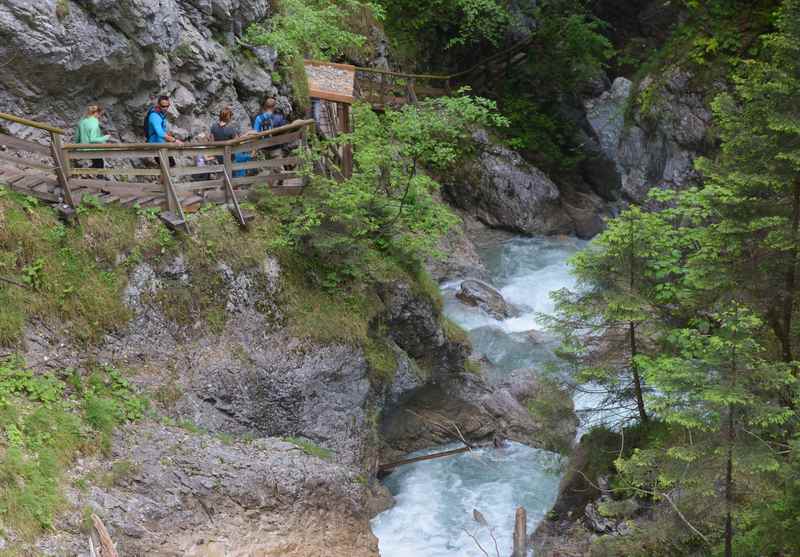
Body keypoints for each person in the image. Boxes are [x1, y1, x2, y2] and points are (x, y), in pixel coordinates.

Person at [74, 105, 110, 169]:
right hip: (93, 149)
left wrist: (75, 147)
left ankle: (89, 173)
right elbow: (92, 139)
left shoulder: (81, 121)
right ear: (96, 113)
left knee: (96, 164)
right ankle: (97, 177)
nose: (100, 117)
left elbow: (77, 138)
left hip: (83, 148)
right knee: (100, 164)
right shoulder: (94, 122)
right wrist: (106, 137)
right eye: (100, 115)